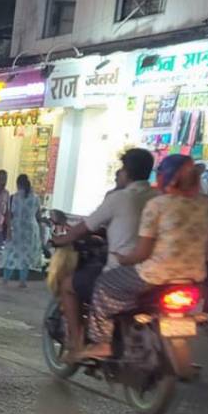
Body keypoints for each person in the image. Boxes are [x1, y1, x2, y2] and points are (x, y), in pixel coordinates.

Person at [78, 154, 208, 361]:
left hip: (155, 275)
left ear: (165, 177)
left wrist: (123, 260)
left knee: (105, 284)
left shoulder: (158, 205)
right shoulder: (206, 205)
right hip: (194, 277)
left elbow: (141, 253)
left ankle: (103, 342)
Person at [52, 149, 157, 352]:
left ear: (126, 172)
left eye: (121, 169)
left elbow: (84, 228)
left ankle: (77, 344)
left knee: (68, 285)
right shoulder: (159, 197)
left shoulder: (119, 198)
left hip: (123, 272)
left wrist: (60, 239)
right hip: (156, 272)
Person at [2, 174, 41, 288]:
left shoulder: (14, 197)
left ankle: (5, 279)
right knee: (26, 255)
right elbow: (38, 215)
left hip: (16, 228)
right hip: (31, 229)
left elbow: (9, 215)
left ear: (18, 184)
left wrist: (8, 229)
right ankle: (22, 281)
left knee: (11, 253)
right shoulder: (36, 198)